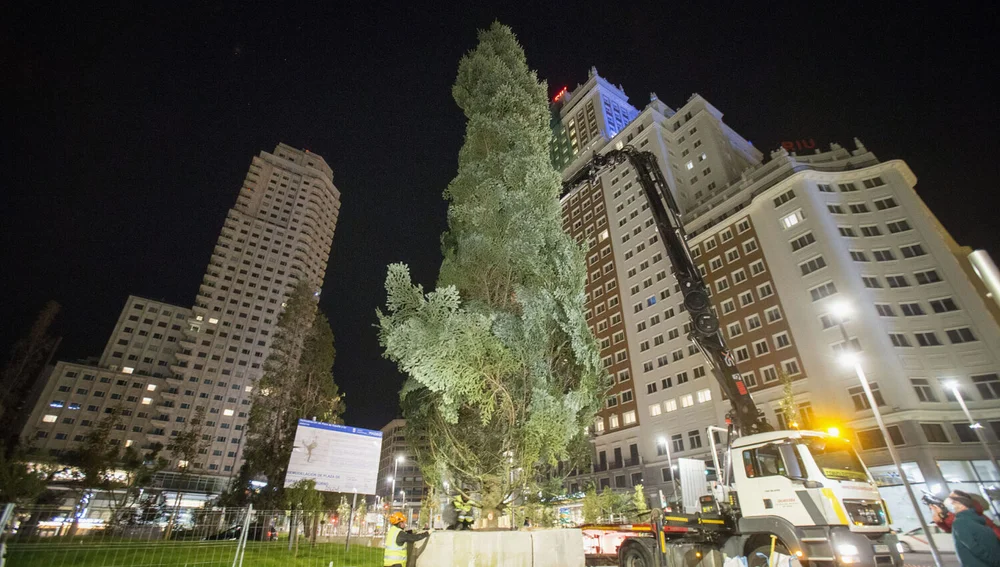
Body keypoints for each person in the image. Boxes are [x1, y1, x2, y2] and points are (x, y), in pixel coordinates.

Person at [943, 492, 1000, 567]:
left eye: (954, 502)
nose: (952, 505)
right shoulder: (980, 521)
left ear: (963, 506)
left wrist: (994, 562)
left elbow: (974, 547)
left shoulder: (960, 523)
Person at [930, 490, 1000, 539]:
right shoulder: (956, 514)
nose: (950, 500)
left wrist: (946, 516)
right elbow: (952, 529)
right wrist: (940, 521)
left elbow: (963, 525)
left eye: (954, 499)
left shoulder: (973, 511)